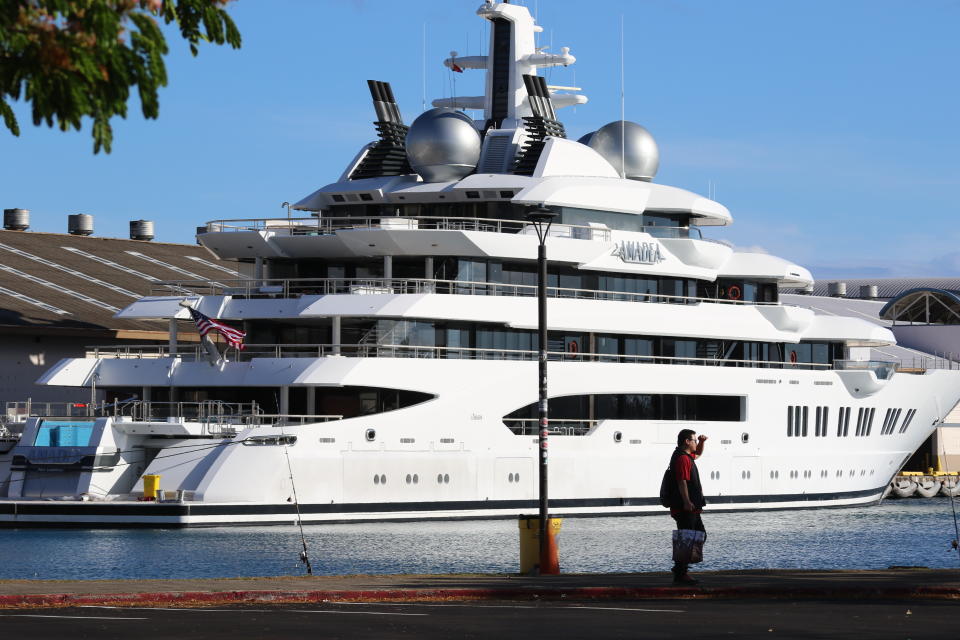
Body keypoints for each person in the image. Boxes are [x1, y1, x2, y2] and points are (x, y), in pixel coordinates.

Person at [668, 428, 707, 584]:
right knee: (687, 539)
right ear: (687, 441)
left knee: (696, 536)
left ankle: (681, 569)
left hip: (689, 507)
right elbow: (682, 481)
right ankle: (680, 572)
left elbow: (697, 454)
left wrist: (702, 443)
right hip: (686, 507)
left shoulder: (684, 456)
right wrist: (686, 501)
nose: (696, 443)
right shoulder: (683, 459)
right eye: (695, 440)